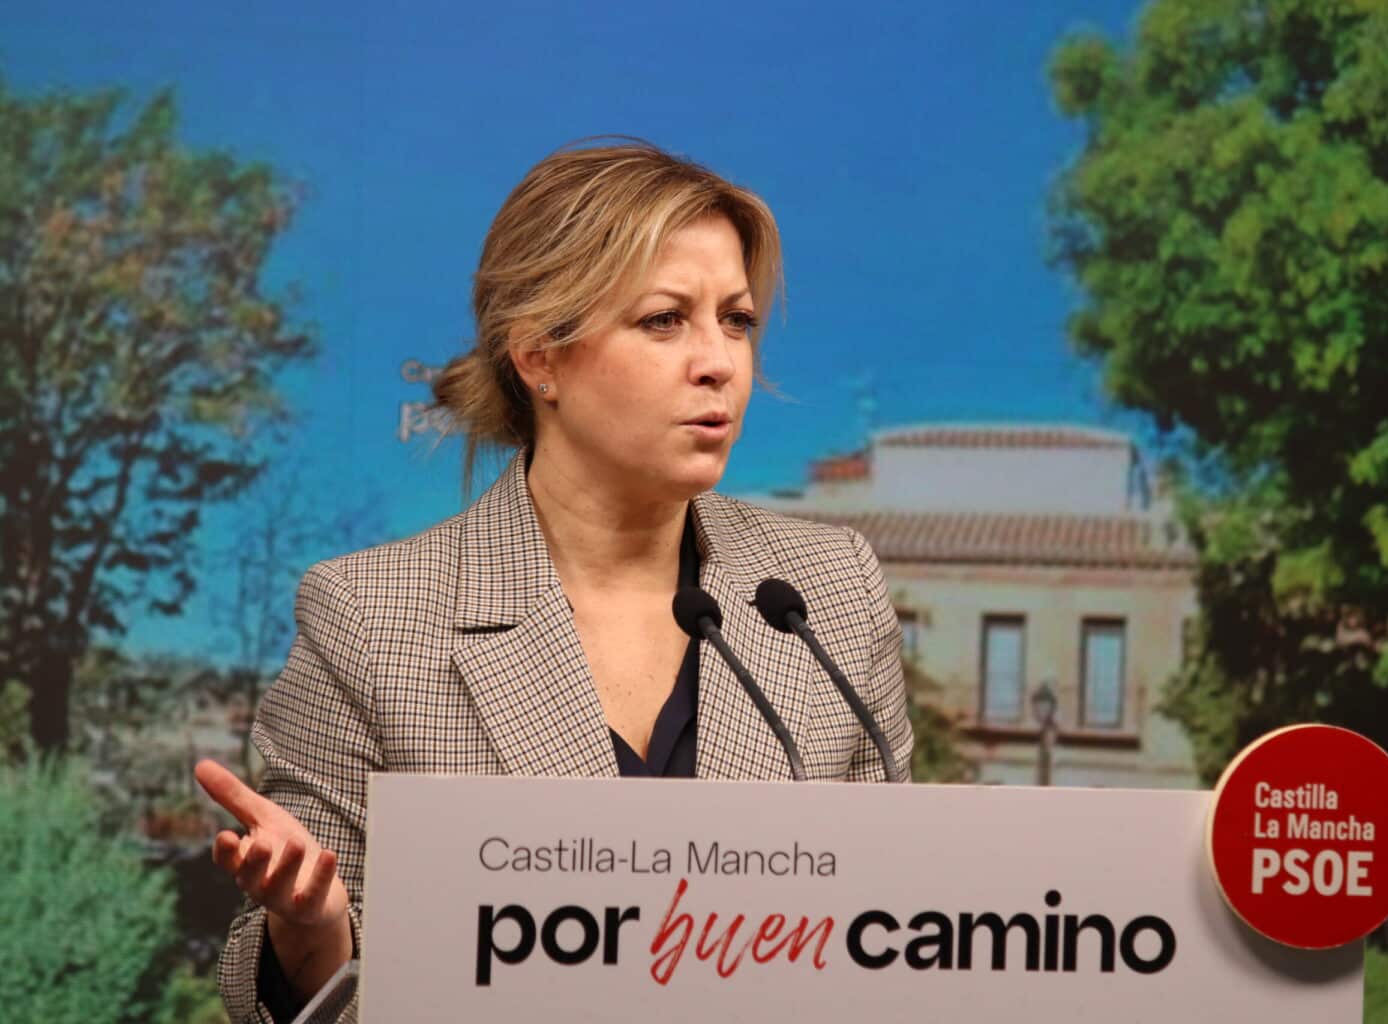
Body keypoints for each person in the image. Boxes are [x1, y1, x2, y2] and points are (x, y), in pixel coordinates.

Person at [194, 139, 915, 1023]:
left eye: (736, 320)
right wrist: (315, 933)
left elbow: (890, 945)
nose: (721, 362)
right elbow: (287, 997)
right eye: (664, 320)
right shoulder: (372, 620)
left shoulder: (827, 593)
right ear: (540, 357)